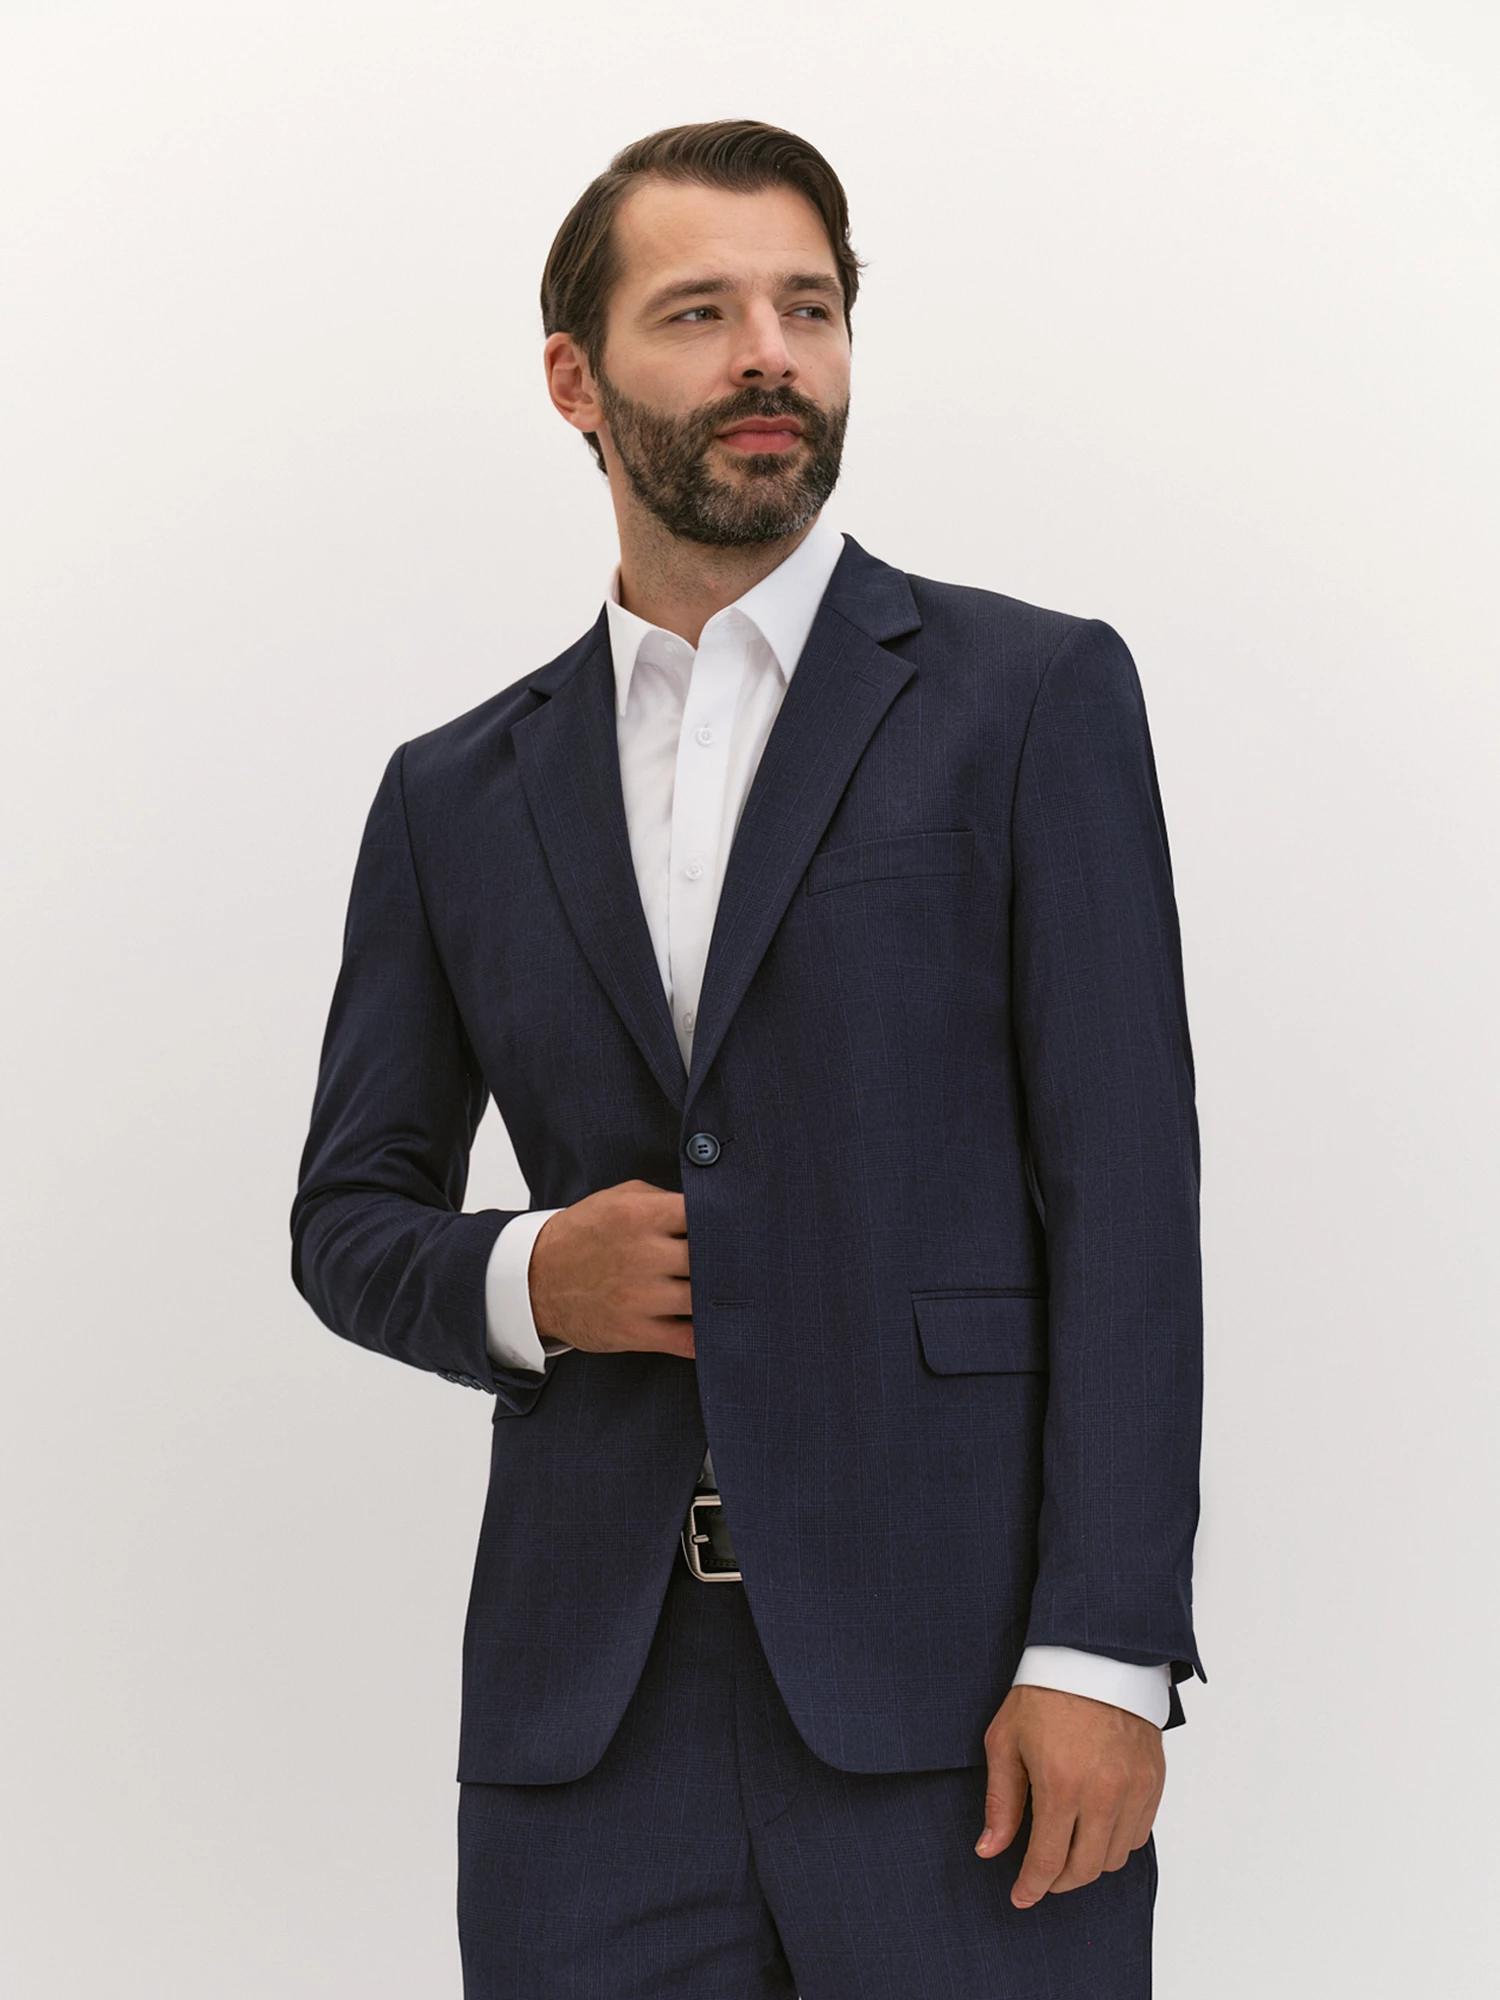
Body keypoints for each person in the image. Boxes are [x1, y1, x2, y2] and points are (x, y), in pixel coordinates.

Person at [292, 119, 1204, 1998]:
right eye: (700, 312)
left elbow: (1128, 1197)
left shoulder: (1033, 697)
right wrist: (527, 1275)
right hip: (588, 1728)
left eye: (810, 308)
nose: (769, 355)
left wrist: (1105, 1651)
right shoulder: (452, 794)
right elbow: (346, 1215)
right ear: (576, 379)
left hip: (965, 1706)